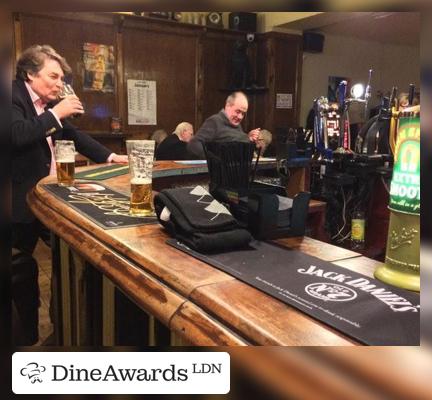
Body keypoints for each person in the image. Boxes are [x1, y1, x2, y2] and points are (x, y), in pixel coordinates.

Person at [187, 91, 260, 159]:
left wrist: (248, 138)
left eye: (243, 114)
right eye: (238, 111)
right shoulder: (214, 121)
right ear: (227, 106)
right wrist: (214, 160)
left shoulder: (237, 126)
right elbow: (194, 144)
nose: (240, 117)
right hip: (219, 171)